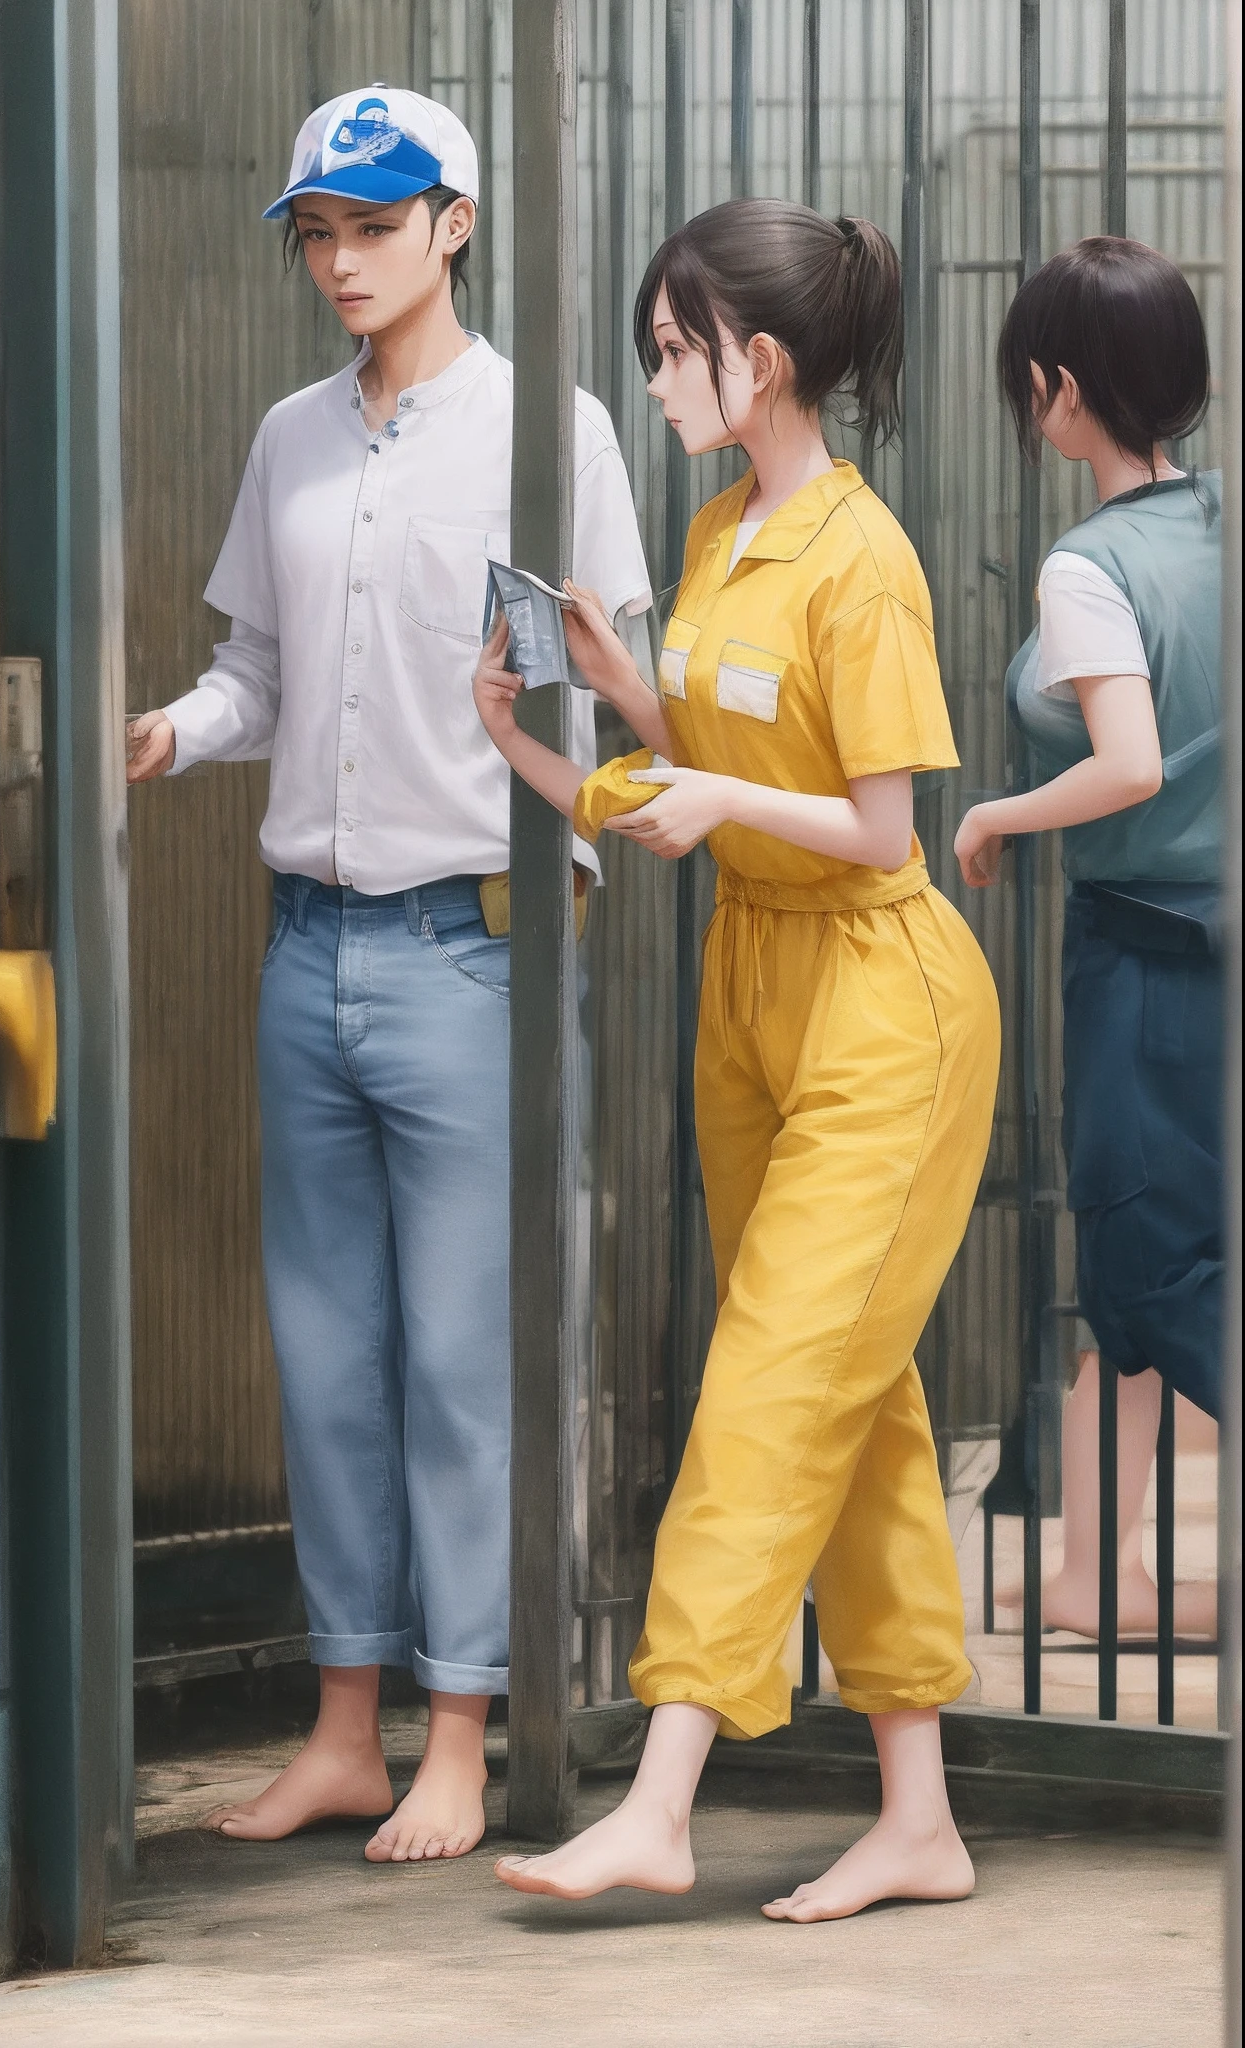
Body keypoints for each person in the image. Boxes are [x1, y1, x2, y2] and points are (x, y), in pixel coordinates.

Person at [126, 86, 651, 1860]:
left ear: (458, 223)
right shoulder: (288, 436)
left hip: (471, 946)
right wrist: (176, 730)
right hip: (309, 951)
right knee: (327, 1352)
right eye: (318, 233)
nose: (341, 260)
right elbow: (256, 673)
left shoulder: (542, 431)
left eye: (372, 224)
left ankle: (458, 1729)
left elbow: (599, 682)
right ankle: (345, 1725)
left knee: (461, 1362)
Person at [473, 199, 1000, 1920]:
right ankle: (917, 1817)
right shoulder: (717, 534)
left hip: (882, 1002)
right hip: (751, 987)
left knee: (774, 1380)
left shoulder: (868, 559)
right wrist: (595, 713)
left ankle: (666, 1788)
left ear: (755, 358)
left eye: (671, 344)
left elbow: (876, 827)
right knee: (859, 1402)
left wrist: (705, 785)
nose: (656, 370)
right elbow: (696, 787)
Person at [955, 235, 1222, 1636]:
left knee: (1143, 1266)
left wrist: (1000, 815)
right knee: (1148, 1276)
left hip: (1144, 955)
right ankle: (1088, 1576)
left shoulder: (1087, 563)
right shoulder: (1224, 520)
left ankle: (1090, 1577)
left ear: (1057, 388)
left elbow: (1125, 765)